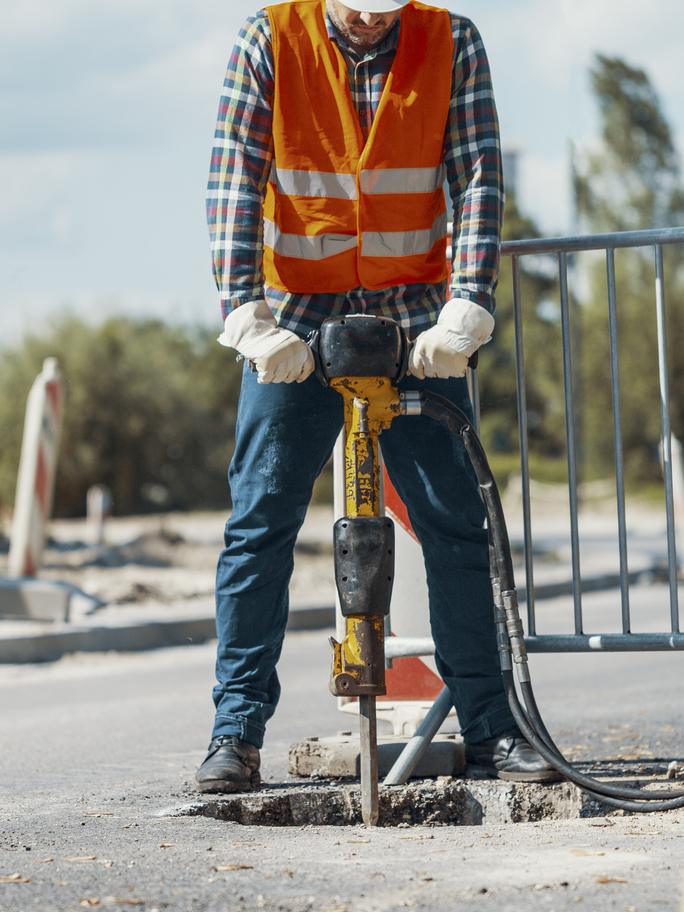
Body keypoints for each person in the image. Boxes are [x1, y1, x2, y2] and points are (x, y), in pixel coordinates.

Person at [199, 0, 560, 792]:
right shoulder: (272, 39)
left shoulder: (452, 41)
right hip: (296, 321)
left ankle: (495, 731)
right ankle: (236, 735)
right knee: (259, 527)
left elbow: (475, 177)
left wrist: (469, 301)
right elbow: (235, 178)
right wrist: (247, 317)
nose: (370, 24)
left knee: (458, 528)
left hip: (415, 323)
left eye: (384, 12)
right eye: (357, 12)